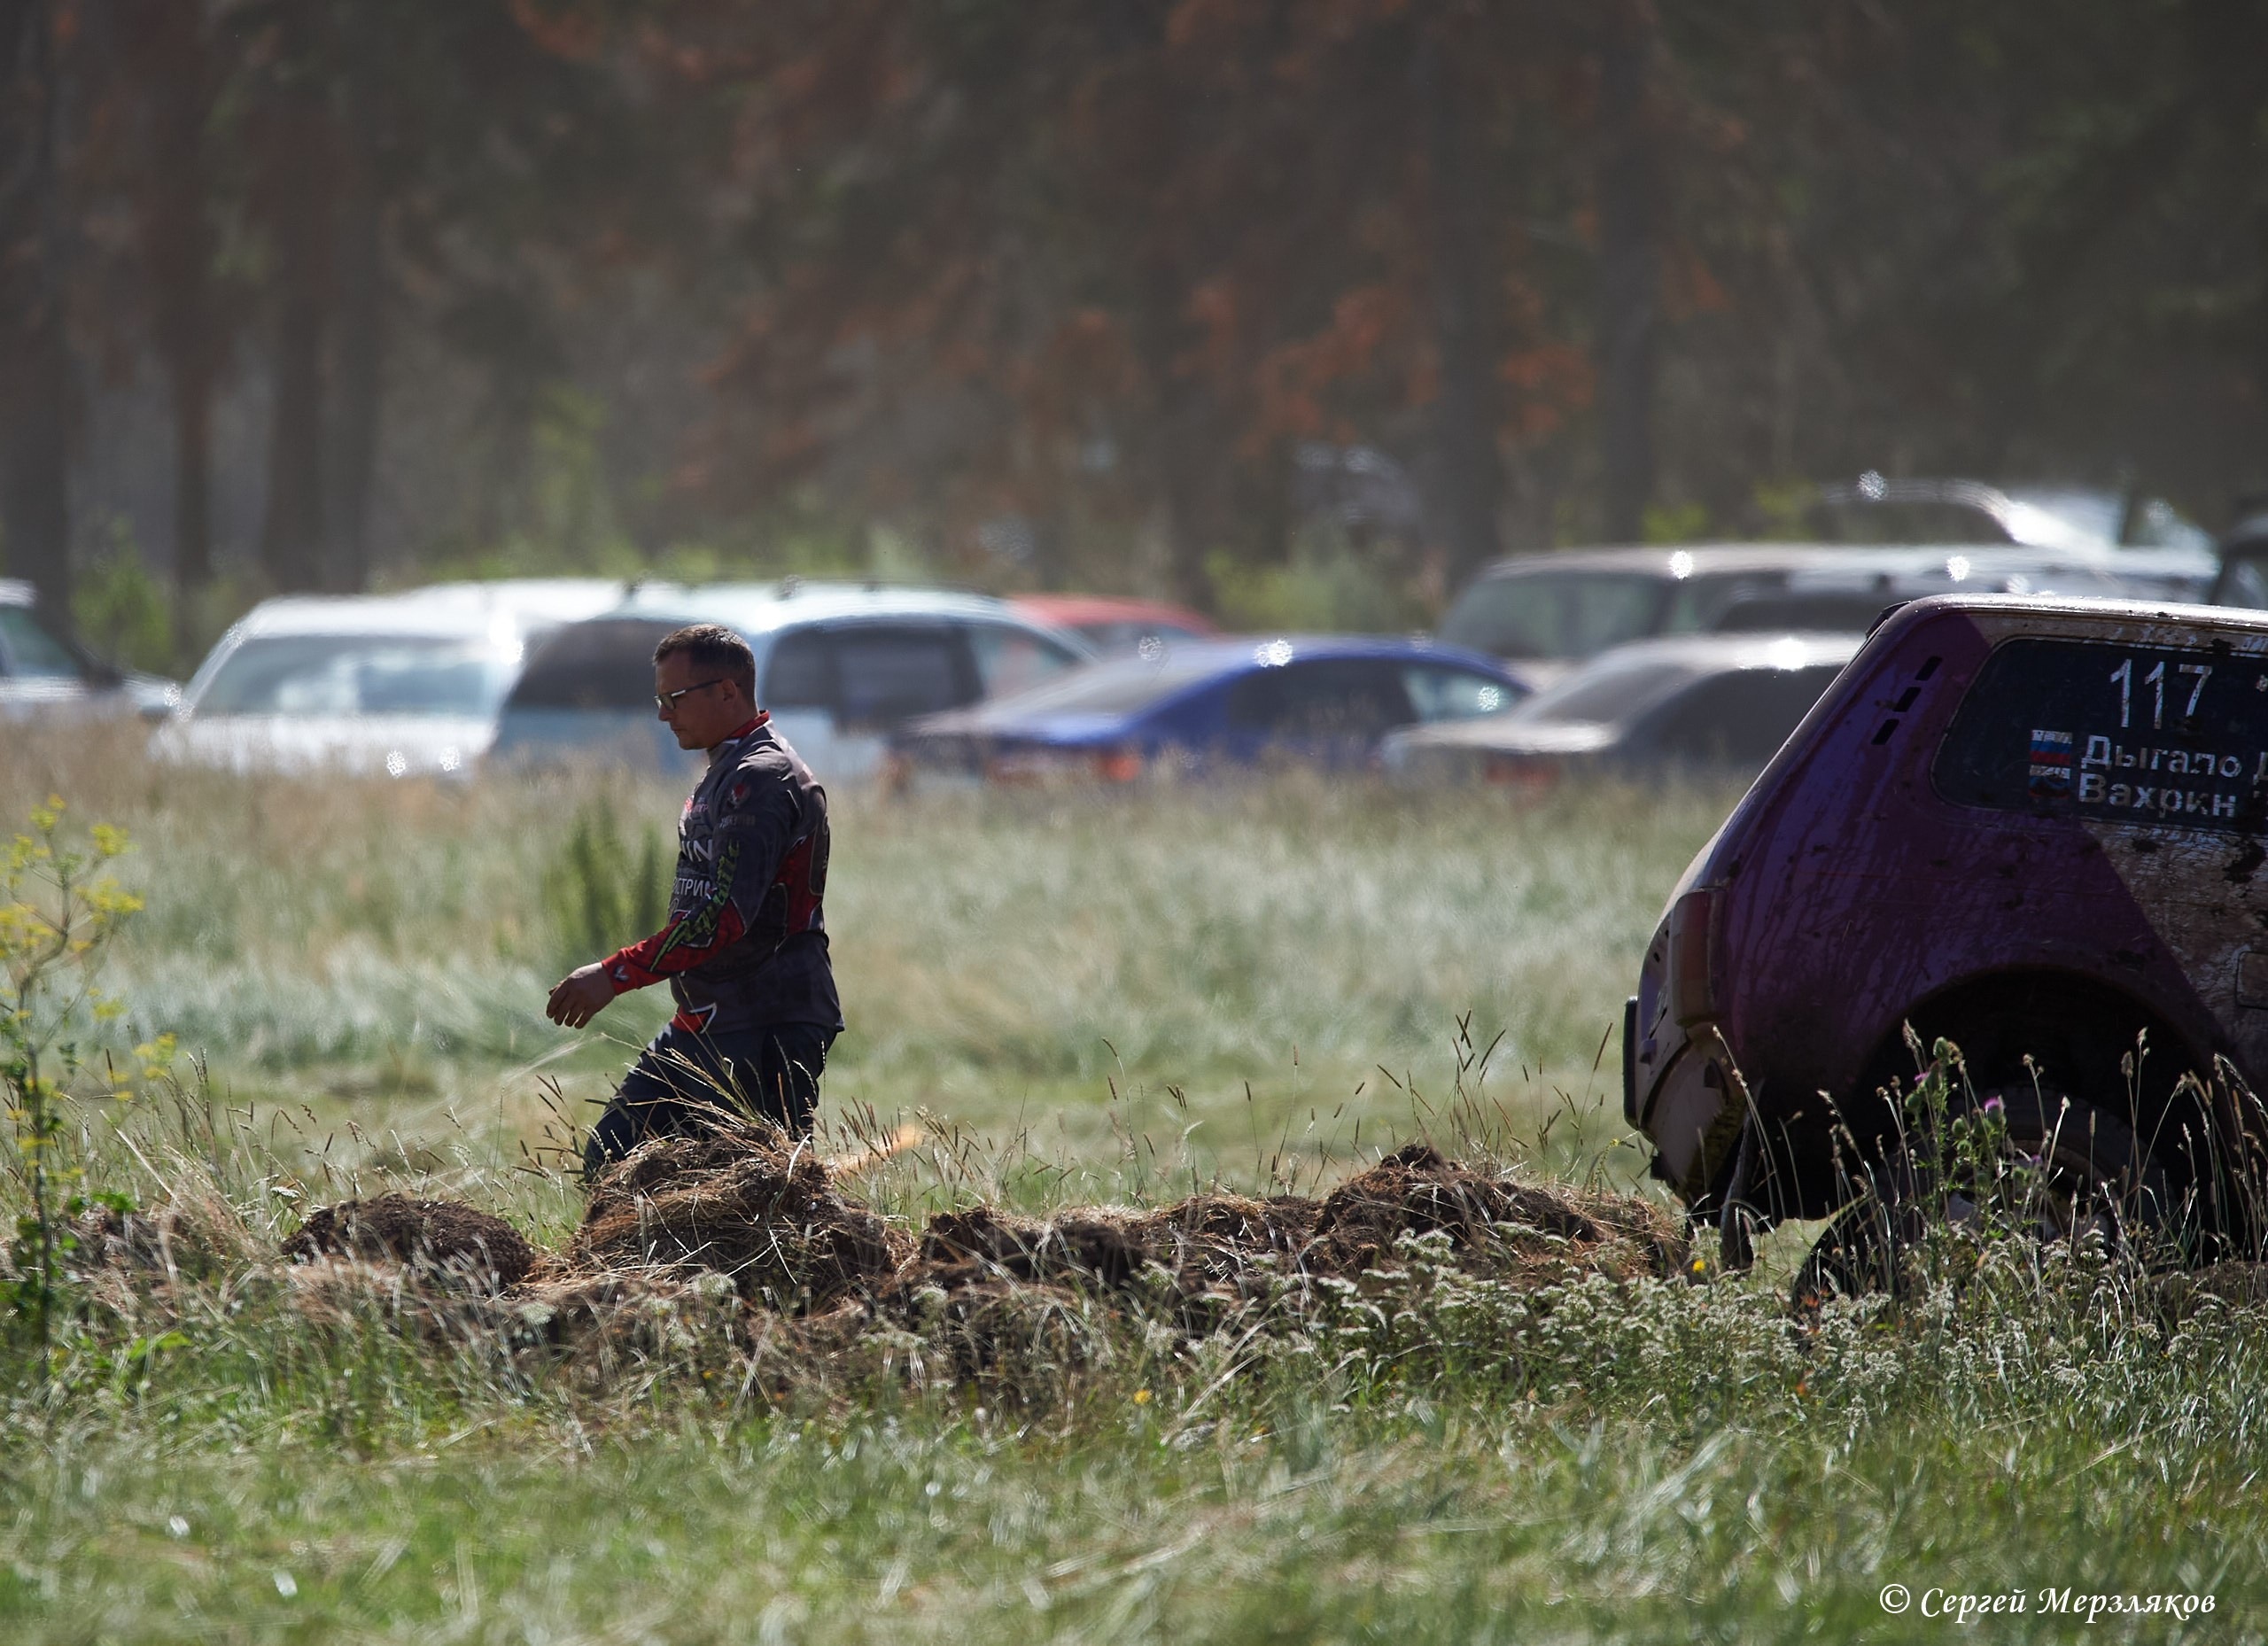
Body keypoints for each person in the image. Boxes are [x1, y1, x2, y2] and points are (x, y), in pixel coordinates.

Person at [547, 623, 842, 1174]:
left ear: (728, 691)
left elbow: (721, 919)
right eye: (658, 699)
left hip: (766, 1021)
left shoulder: (762, 778)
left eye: (673, 698)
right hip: (708, 1016)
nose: (663, 714)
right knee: (610, 1160)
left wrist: (613, 975)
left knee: (759, 1192)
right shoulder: (729, 770)